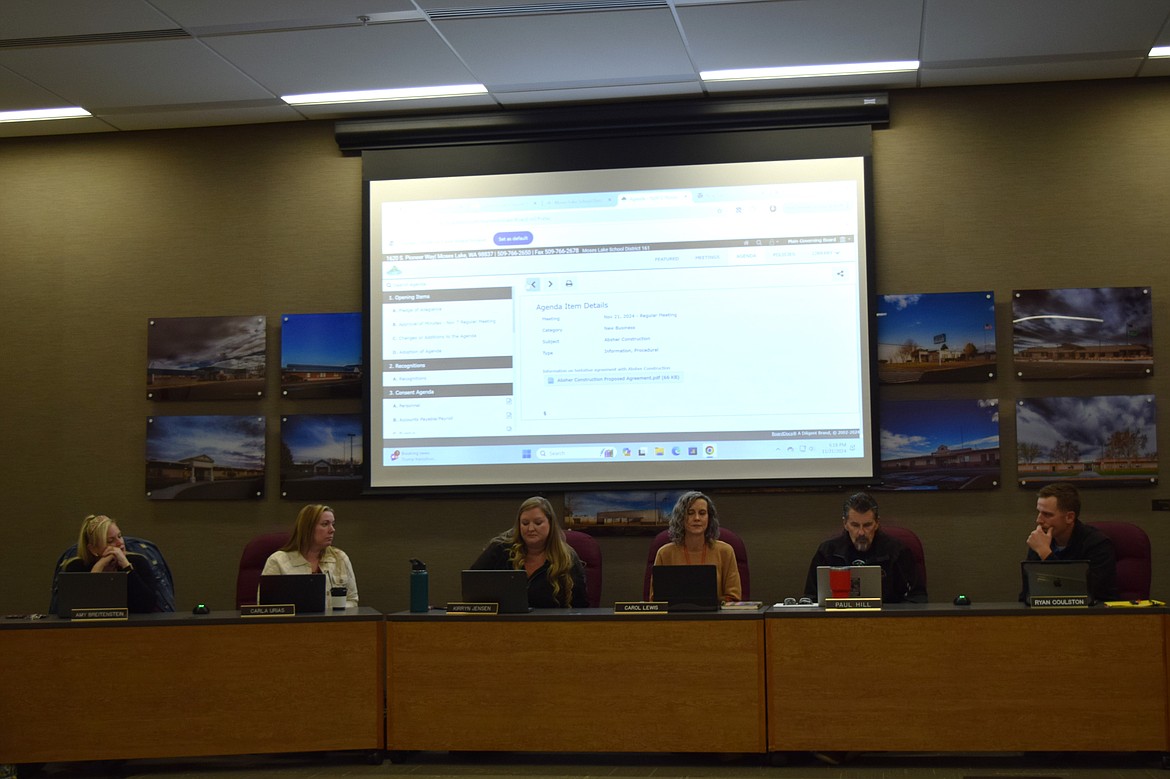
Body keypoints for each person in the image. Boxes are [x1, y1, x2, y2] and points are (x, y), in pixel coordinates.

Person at [802, 492, 926, 603]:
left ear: (877, 523)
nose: (861, 532)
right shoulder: (827, 551)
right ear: (845, 524)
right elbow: (811, 598)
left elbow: (917, 598)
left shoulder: (898, 551)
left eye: (867, 525)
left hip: (886, 619)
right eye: (855, 525)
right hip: (838, 620)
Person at [471, 496, 588, 609]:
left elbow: (581, 607)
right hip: (503, 624)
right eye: (525, 523)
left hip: (551, 625)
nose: (530, 529)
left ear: (550, 524)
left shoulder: (567, 558)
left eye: (538, 523)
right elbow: (472, 585)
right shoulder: (500, 549)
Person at [1020, 482, 1118, 603]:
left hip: (1095, 616)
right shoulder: (1041, 541)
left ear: (1069, 517)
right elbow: (1027, 594)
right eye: (1039, 512)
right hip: (1050, 614)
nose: (1039, 520)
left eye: (1047, 514)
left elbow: (1079, 593)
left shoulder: (1098, 544)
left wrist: (1045, 554)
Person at [60, 514, 165, 613]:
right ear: (93, 549)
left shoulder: (138, 562)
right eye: (111, 541)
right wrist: (98, 568)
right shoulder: (76, 568)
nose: (121, 543)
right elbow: (76, 610)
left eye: (120, 536)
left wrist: (126, 567)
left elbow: (147, 606)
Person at [650, 491, 741, 602]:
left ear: (709, 518)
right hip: (676, 618)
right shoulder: (664, 553)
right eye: (690, 513)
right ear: (681, 518)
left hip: (714, 617)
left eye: (702, 513)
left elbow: (734, 598)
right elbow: (655, 600)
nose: (697, 518)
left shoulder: (725, 551)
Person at [262, 504, 359, 607]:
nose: (332, 530)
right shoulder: (277, 561)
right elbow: (266, 606)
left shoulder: (340, 558)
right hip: (293, 622)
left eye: (333, 524)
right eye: (325, 524)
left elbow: (352, 600)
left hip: (331, 622)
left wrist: (331, 612)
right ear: (307, 528)